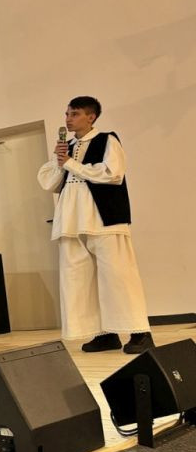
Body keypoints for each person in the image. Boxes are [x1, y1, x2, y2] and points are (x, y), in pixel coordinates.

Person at [37, 96, 152, 353]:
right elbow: (49, 183)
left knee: (119, 277)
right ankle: (104, 333)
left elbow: (112, 173)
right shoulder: (67, 147)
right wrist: (61, 162)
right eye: (67, 114)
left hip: (103, 219)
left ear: (91, 117)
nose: (68, 119)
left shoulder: (107, 140)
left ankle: (139, 332)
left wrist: (71, 163)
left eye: (75, 114)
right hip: (71, 221)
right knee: (79, 279)